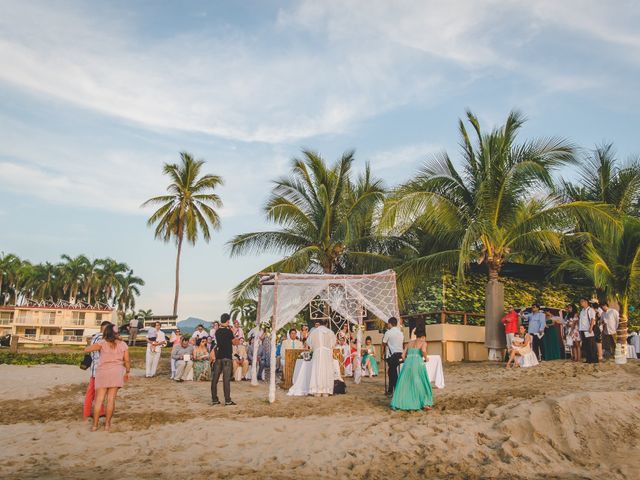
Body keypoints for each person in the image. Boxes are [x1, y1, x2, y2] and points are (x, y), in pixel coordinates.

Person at [84, 324, 130, 431]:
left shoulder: (102, 343)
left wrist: (88, 343)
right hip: (116, 372)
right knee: (111, 400)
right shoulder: (123, 344)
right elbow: (127, 360)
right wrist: (127, 371)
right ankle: (107, 425)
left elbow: (86, 350)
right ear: (116, 333)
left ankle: (95, 425)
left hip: (102, 372)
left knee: (99, 399)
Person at [390, 324, 433, 411]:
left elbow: (402, 355)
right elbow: (423, 351)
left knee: (405, 383)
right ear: (424, 336)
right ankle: (424, 402)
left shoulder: (409, 343)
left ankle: (400, 402)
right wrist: (426, 358)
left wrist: (408, 359)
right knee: (420, 381)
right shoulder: (423, 343)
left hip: (408, 363)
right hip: (417, 363)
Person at [83, 320, 111, 419]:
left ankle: (97, 411)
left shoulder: (95, 337)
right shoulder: (102, 338)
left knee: (96, 392)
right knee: (94, 392)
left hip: (95, 369)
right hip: (100, 369)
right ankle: (89, 413)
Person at [211, 313, 239, 406]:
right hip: (227, 357)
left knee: (215, 379)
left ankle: (214, 399)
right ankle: (227, 400)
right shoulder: (229, 331)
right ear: (227, 321)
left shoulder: (217, 331)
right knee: (226, 380)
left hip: (219, 357)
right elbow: (235, 342)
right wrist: (233, 333)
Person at [307, 319, 337, 397]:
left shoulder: (314, 332)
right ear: (326, 324)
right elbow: (333, 344)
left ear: (319, 324)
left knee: (317, 370)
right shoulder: (330, 332)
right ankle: (326, 391)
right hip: (327, 354)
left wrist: (316, 347)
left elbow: (309, 343)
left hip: (317, 353)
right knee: (326, 370)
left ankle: (317, 391)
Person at [382, 317, 404, 395]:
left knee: (392, 372)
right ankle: (390, 389)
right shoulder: (400, 332)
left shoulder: (388, 332)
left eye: (388, 324)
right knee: (391, 371)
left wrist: (382, 353)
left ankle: (396, 389)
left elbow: (384, 343)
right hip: (400, 354)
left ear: (390, 323)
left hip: (392, 354)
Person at [579, 297, 598, 363]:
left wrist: (591, 327)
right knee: (586, 345)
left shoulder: (590, 310)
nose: (581, 303)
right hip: (582, 329)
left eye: (582, 301)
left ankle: (594, 359)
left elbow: (593, 319)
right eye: (580, 301)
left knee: (591, 345)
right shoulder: (582, 311)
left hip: (588, 329)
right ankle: (588, 359)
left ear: (586, 302)